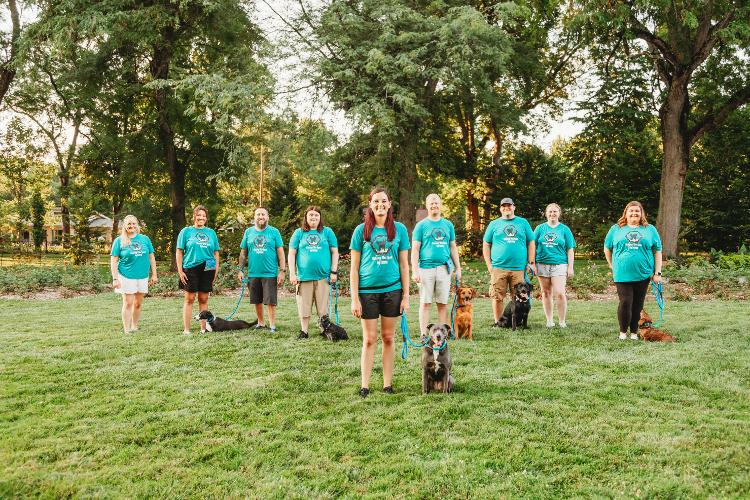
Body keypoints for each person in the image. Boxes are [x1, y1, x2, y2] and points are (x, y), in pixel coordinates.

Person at [350, 187, 410, 398]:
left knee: (388, 337)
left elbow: (404, 266)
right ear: (370, 204)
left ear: (389, 203)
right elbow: (354, 268)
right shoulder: (361, 231)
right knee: (369, 339)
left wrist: (405, 296)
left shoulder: (399, 229)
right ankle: (365, 385)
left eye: (383, 201)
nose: (380, 204)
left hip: (392, 290)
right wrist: (354, 298)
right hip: (367, 292)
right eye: (376, 201)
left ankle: (387, 385)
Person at [604, 201, 663, 340]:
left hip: (643, 273)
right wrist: (611, 264)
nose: (634, 213)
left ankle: (634, 333)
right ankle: (623, 332)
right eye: (631, 211)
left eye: (637, 211)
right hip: (622, 273)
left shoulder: (649, 229)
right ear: (626, 213)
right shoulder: (616, 229)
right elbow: (607, 247)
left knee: (638, 303)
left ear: (641, 213)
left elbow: (657, 251)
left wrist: (658, 272)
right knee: (625, 301)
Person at [411, 193, 461, 336]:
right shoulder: (421, 226)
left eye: (436, 203)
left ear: (440, 205)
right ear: (427, 206)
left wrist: (458, 268)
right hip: (425, 268)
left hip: (444, 268)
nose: (434, 205)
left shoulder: (448, 224)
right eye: (431, 203)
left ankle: (442, 334)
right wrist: (415, 270)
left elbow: (452, 247)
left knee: (442, 303)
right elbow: (415, 249)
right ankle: (424, 334)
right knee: (425, 303)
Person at [482, 197, 536, 328]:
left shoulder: (523, 223)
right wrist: (489, 264)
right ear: (500, 208)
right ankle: (498, 322)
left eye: (509, 205)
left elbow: (531, 242)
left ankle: (518, 322)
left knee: (519, 296)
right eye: (504, 206)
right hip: (499, 267)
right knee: (497, 296)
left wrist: (531, 262)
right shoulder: (494, 224)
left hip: (518, 268)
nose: (506, 208)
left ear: (514, 207)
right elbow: (486, 244)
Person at [288, 206, 340, 339]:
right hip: (304, 277)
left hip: (323, 277)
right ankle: (304, 331)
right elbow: (292, 254)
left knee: (323, 306)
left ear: (320, 217)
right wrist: (292, 273)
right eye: (311, 215)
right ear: (306, 217)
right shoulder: (299, 233)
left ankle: (325, 329)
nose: (313, 217)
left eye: (316, 215)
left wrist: (334, 271)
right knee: (304, 306)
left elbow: (335, 252)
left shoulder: (327, 232)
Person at [238, 207, 285, 333]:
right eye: (258, 214)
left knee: (270, 301)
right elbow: (243, 253)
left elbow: (280, 253)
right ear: (254, 217)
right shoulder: (248, 232)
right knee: (256, 300)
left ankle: (272, 325)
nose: (261, 217)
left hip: (269, 273)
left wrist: (282, 270)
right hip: (253, 272)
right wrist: (240, 269)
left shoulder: (274, 232)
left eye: (263, 214)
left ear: (268, 217)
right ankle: (261, 322)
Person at [176, 205, 220, 335]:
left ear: (206, 218)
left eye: (204, 216)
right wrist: (180, 270)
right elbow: (179, 251)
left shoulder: (211, 233)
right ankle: (186, 329)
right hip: (191, 267)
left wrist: (215, 270)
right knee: (189, 298)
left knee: (203, 299)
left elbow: (216, 253)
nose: (201, 217)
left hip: (208, 267)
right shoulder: (186, 231)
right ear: (194, 216)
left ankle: (203, 328)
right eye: (199, 215)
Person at [110, 215, 157, 334]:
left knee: (138, 303)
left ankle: (134, 326)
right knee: (128, 302)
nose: (131, 226)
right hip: (126, 275)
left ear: (137, 225)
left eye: (134, 224)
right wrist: (115, 278)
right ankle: (127, 329)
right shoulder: (119, 241)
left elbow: (151, 257)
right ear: (125, 226)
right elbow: (114, 260)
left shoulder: (145, 239)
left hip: (142, 276)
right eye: (129, 224)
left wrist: (154, 274)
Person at [534, 203, 576, 328]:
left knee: (560, 293)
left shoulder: (564, 229)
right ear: (546, 214)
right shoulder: (540, 228)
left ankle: (562, 321)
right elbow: (533, 246)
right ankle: (549, 320)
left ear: (559, 213)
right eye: (550, 212)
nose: (552, 214)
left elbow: (570, 249)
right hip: (542, 263)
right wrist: (532, 264)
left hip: (559, 264)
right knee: (546, 293)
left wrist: (570, 267)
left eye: (555, 212)